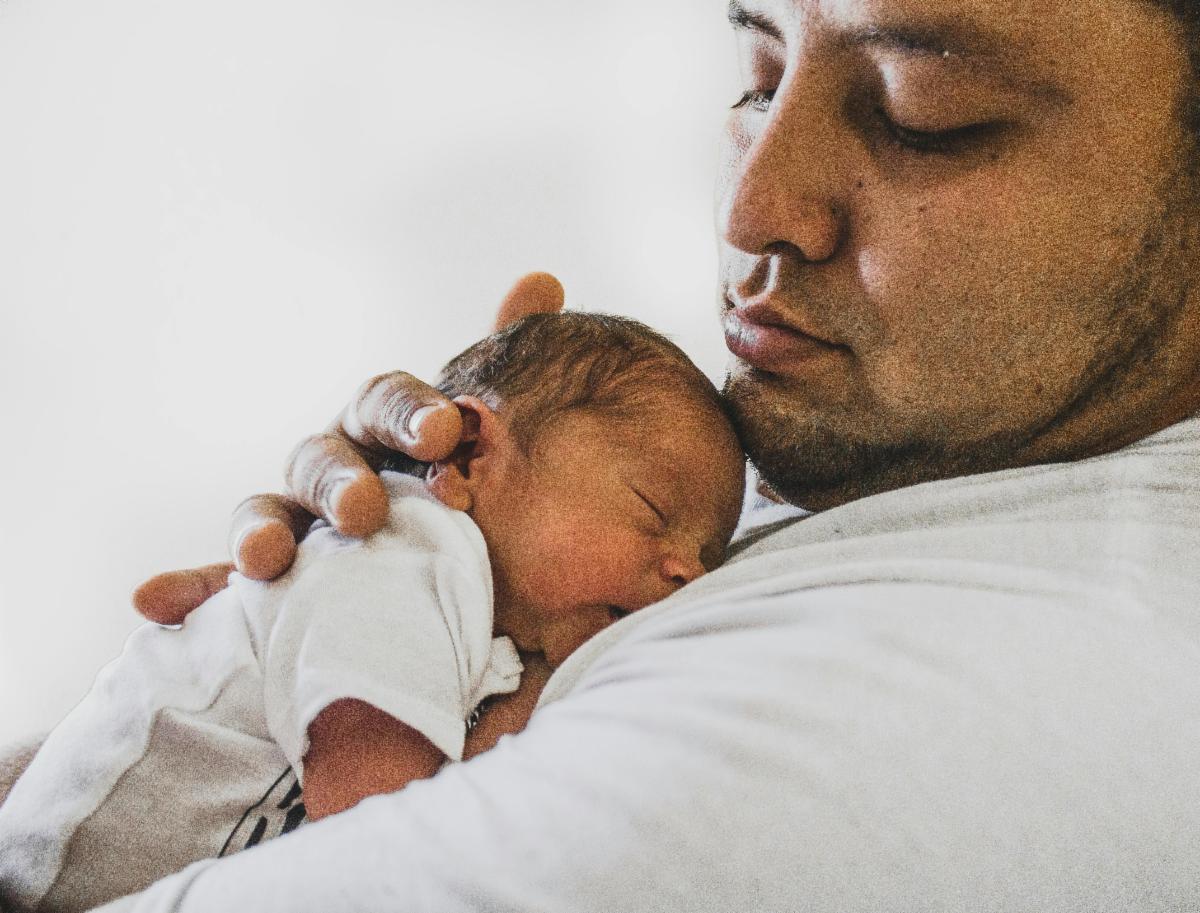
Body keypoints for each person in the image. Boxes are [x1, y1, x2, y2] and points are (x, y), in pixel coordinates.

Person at [7, 0, 1200, 908]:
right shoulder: (955, 473)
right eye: (757, 73)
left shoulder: (918, 720)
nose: (749, 209)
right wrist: (243, 661)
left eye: (916, 115)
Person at [0, 314, 744, 913]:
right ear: (463, 459)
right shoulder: (407, 556)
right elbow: (378, 845)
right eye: (653, 510)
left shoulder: (490, 618)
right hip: (44, 872)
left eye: (706, 556)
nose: (684, 570)